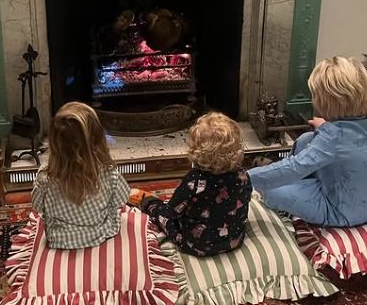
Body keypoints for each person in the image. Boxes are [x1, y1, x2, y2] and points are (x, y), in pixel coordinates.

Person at [249, 57, 367, 227]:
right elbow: (348, 142)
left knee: (271, 191)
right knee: (306, 139)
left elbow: (296, 166)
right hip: (355, 194)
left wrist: (244, 177)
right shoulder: (347, 128)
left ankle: (285, 185)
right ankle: (288, 177)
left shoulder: (333, 137)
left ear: (327, 103)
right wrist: (326, 126)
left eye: (314, 96)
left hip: (339, 211)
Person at [130, 112, 252, 256]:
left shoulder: (194, 181)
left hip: (195, 245)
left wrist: (158, 207)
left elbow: (172, 211)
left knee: (163, 215)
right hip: (233, 240)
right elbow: (246, 199)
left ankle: (148, 203)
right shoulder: (242, 175)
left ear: (196, 150)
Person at [31, 102, 130, 249]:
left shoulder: (45, 177)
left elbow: (37, 205)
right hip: (100, 234)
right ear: (97, 139)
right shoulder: (108, 172)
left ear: (54, 143)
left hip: (59, 240)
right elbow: (121, 200)